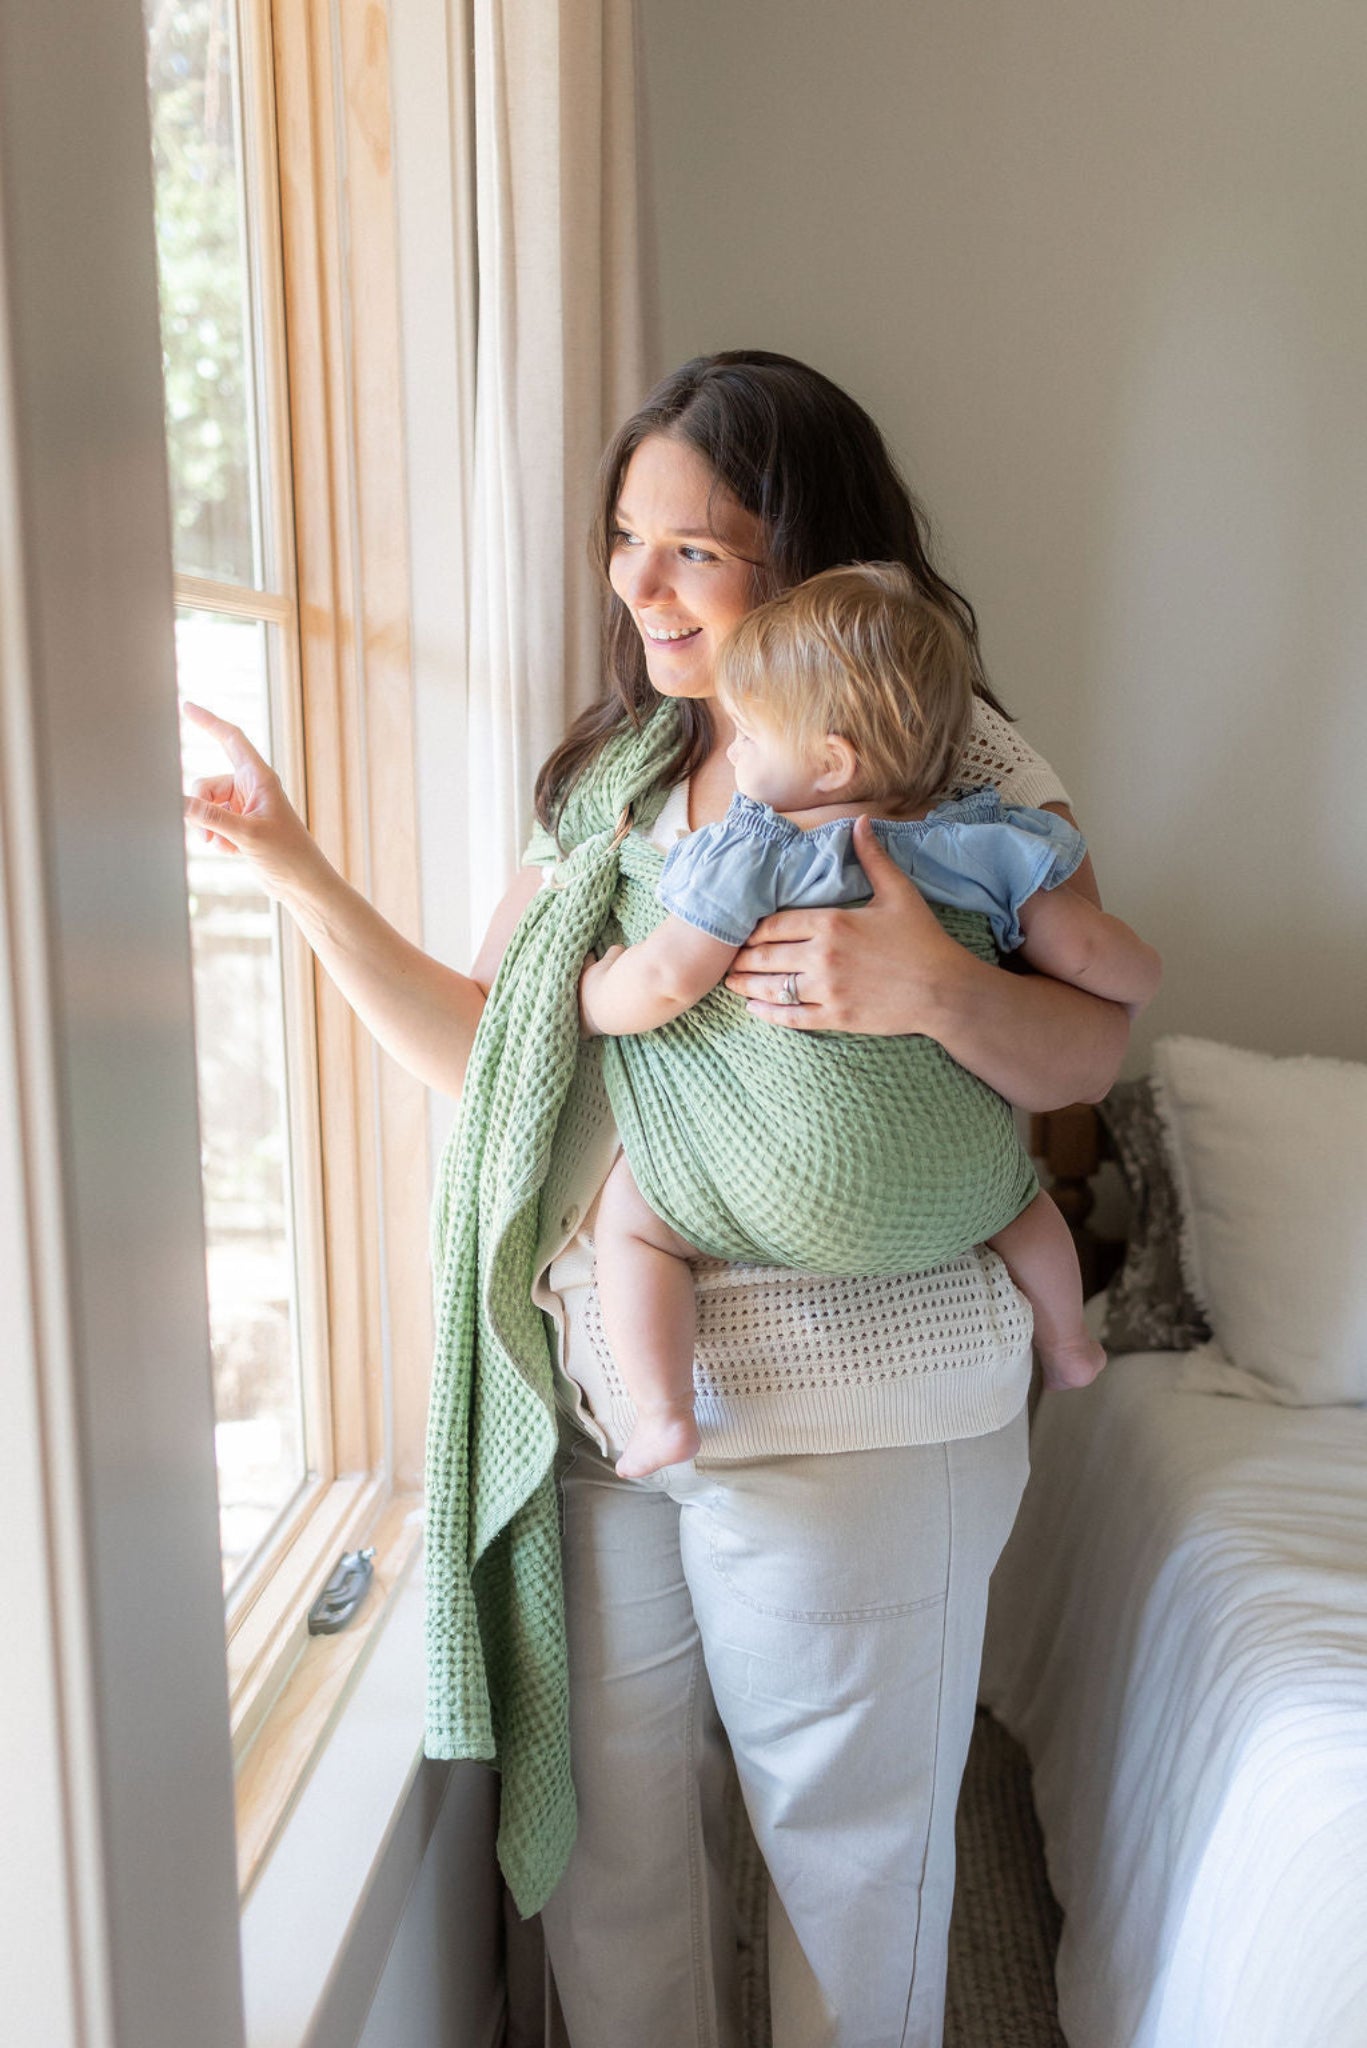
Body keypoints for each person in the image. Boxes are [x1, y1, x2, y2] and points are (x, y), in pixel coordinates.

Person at [183, 350, 1138, 2048]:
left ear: (808, 560)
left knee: (849, 1871)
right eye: (629, 538)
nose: (637, 581)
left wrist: (917, 982)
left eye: (691, 546)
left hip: (865, 1410)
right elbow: (501, 1052)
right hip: (626, 1400)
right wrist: (293, 864)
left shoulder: (952, 755)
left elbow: (1086, 1048)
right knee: (620, 1863)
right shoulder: (615, 783)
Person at [581, 561, 1160, 1479]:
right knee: (1026, 1201)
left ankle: (664, 1413)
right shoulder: (980, 843)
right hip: (959, 1190)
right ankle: (1068, 1344)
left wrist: (596, 988)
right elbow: (1097, 959)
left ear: (830, 761)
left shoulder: (754, 852)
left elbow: (662, 984)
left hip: (787, 1187)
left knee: (631, 1221)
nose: (732, 753)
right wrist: (1139, 970)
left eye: (749, 734)